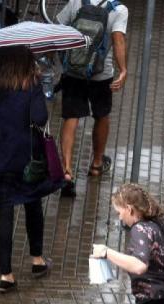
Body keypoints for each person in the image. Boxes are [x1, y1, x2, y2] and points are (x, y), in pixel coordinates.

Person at [0, 45, 60, 293]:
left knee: (3, 213)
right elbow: (40, 118)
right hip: (25, 159)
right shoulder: (30, 85)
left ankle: (6, 275)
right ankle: (37, 260)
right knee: (33, 203)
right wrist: (39, 87)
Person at [56, 0, 129, 198]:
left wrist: (62, 58)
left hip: (73, 71)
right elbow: (118, 40)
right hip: (101, 74)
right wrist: (123, 70)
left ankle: (67, 171)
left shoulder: (76, 2)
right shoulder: (119, 10)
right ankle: (97, 164)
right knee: (102, 115)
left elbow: (59, 29)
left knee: (71, 117)